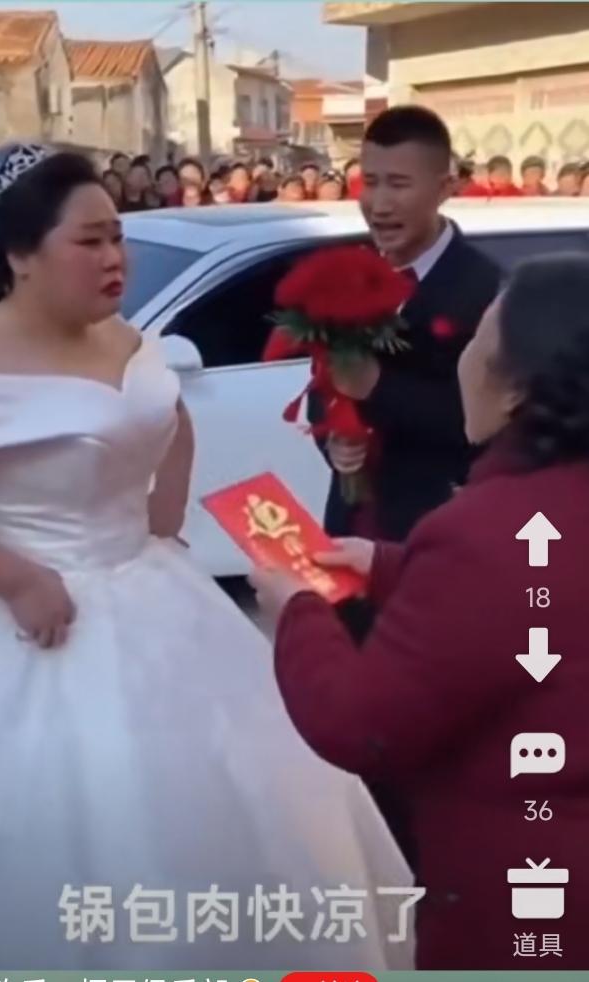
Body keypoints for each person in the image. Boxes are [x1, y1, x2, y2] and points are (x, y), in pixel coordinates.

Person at [0, 143, 411, 970]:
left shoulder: (123, 335)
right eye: (88, 241)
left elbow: (169, 417)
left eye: (117, 238)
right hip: (20, 620)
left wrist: (162, 515)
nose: (113, 259)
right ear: (20, 256)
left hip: (149, 590)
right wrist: (15, 578)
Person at [252, 252, 589, 969]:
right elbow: (542, 598)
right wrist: (390, 566)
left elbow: (361, 725)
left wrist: (299, 612)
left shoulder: (483, 530)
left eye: (478, 339)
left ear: (515, 386)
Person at [319, 106, 501, 544]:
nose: (380, 204)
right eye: (370, 182)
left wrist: (377, 387)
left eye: (399, 184)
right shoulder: (349, 273)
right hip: (351, 522)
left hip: (438, 528)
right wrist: (336, 438)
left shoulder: (487, 288)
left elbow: (488, 422)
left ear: (444, 188)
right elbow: (324, 380)